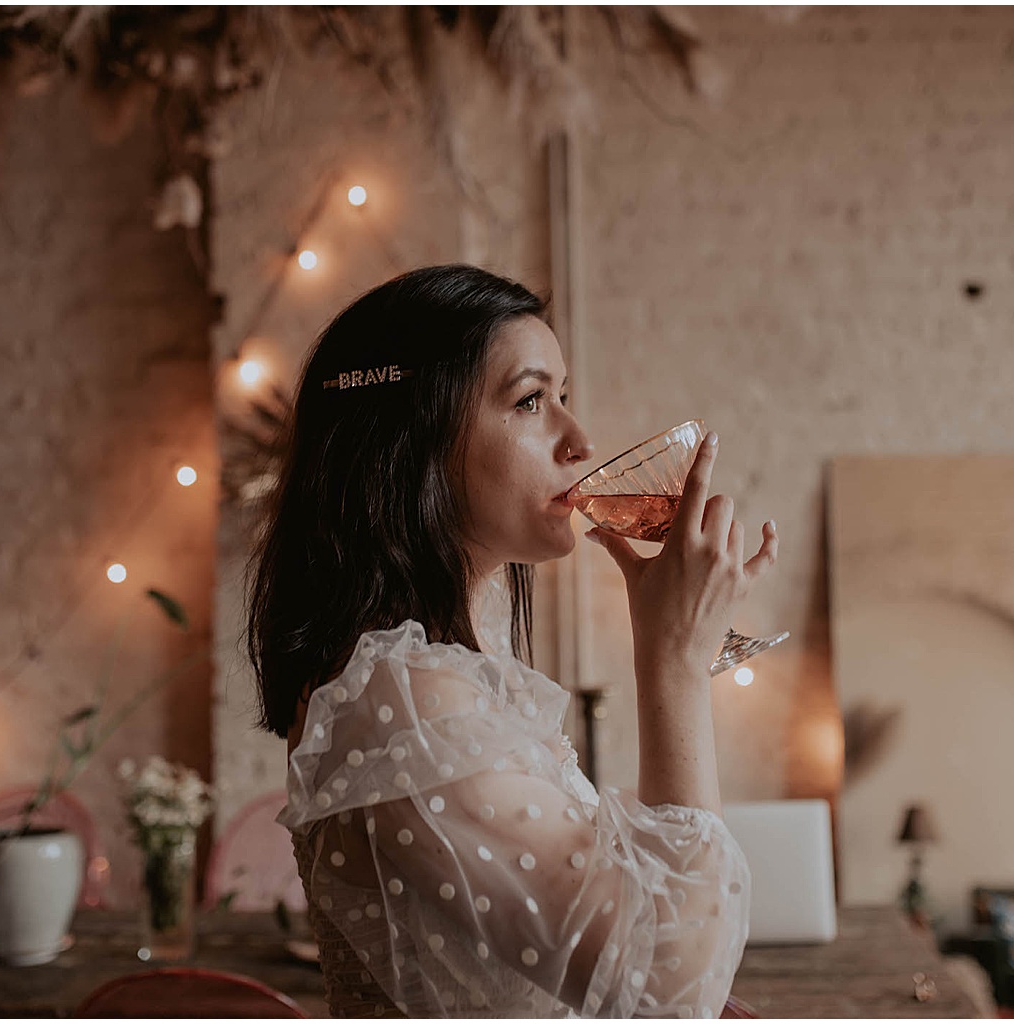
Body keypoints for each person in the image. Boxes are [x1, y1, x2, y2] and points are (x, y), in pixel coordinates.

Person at [246, 265, 780, 1016]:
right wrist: (676, 667)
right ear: (415, 439)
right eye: (531, 401)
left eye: (563, 397)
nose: (579, 439)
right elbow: (664, 993)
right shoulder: (402, 702)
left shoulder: (438, 675)